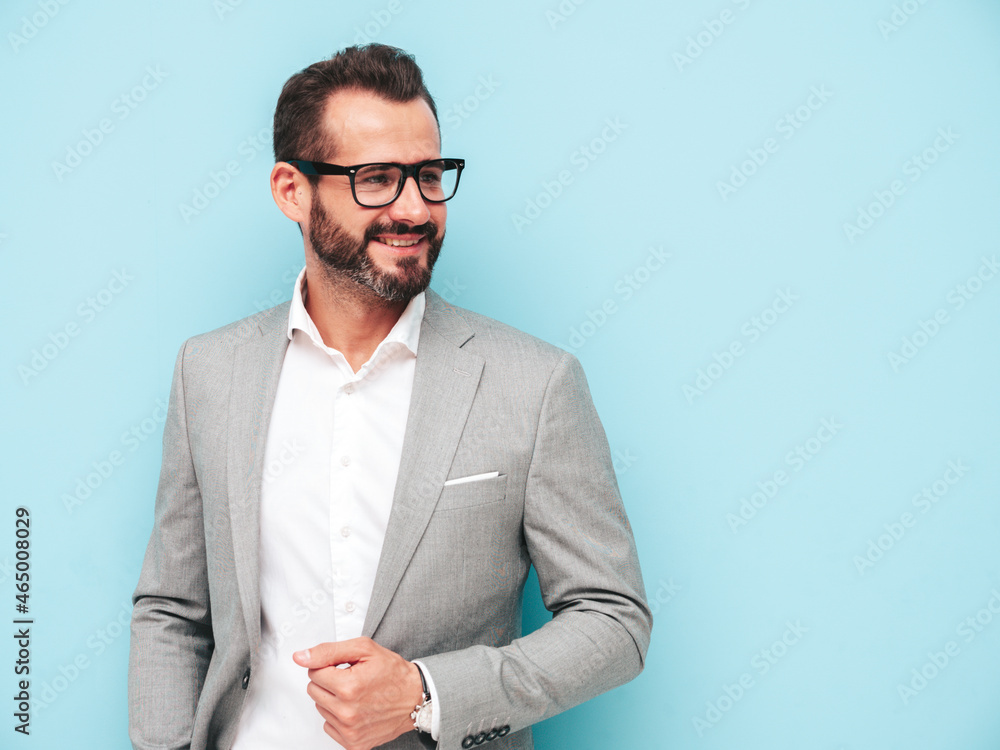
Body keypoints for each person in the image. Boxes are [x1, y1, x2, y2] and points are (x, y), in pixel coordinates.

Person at [129, 43, 651, 750]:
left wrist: (426, 695)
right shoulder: (209, 372)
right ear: (292, 190)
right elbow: (173, 609)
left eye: (429, 176)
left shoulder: (535, 383)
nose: (415, 208)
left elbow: (614, 620)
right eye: (376, 179)